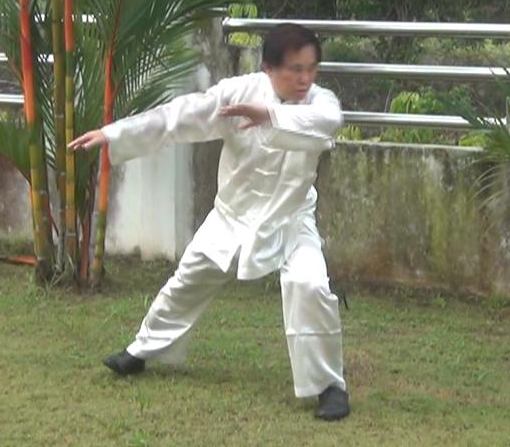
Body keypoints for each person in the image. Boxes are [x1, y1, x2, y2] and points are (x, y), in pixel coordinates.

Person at [69, 23, 350, 421]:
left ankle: (330, 387)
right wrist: (114, 134)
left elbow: (328, 124)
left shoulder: (321, 102)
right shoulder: (237, 93)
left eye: (311, 68)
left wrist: (269, 116)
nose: (305, 78)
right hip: (231, 217)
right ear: (269, 68)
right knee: (188, 278)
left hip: (292, 220)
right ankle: (141, 351)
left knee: (309, 286)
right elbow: (180, 116)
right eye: (294, 69)